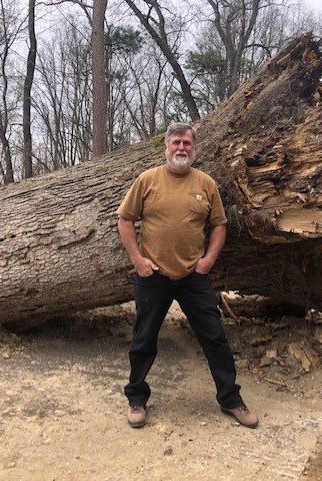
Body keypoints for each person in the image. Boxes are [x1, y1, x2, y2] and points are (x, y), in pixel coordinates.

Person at [116, 122, 258, 429]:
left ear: (194, 149)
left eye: (187, 144)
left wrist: (209, 259)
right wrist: (138, 260)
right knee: (143, 340)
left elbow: (219, 225)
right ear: (166, 146)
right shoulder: (147, 180)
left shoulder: (205, 183)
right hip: (153, 275)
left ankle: (231, 399)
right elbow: (125, 219)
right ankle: (137, 398)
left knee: (214, 338)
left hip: (193, 276)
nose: (182, 148)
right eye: (176, 142)